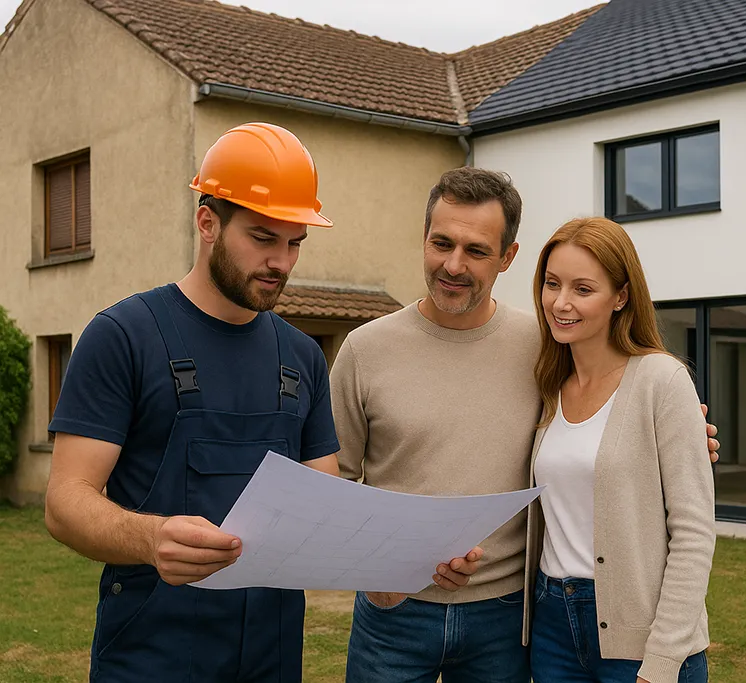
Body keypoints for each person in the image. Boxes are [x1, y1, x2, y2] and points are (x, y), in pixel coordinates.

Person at [43, 122, 478, 682]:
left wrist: (416, 556)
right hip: (152, 653)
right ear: (207, 222)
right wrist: (150, 539)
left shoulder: (299, 356)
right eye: (262, 237)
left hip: (271, 655)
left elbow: (326, 509)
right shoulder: (124, 335)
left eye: (295, 242)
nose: (282, 261)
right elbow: (64, 502)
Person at [329, 167, 720, 683]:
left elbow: (625, 418)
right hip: (395, 612)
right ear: (423, 240)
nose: (453, 264)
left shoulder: (543, 345)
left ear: (508, 257)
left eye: (476, 250)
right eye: (441, 243)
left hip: (506, 618)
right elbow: (333, 479)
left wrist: (685, 435)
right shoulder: (364, 349)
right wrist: (371, 570)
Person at [524, 217, 716, 683]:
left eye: (583, 289)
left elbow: (693, 531)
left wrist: (664, 659)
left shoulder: (661, 381)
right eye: (552, 283)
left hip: (641, 634)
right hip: (552, 627)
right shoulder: (549, 385)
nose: (561, 302)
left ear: (621, 297)